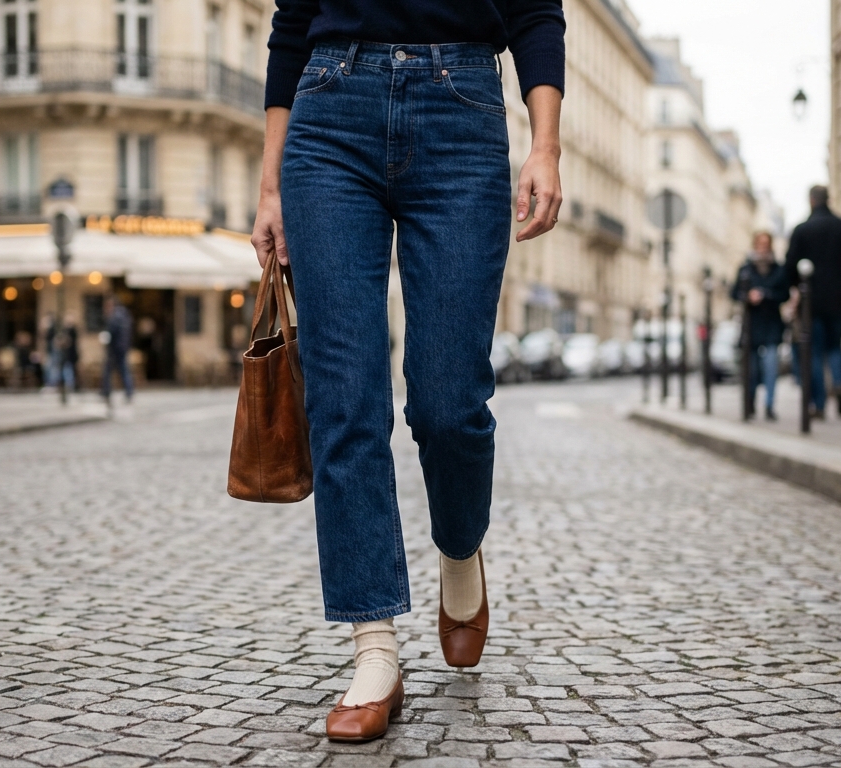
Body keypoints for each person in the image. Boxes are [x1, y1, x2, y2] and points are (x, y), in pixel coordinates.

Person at [253, 0, 565, 742]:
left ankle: (461, 552)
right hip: (329, 112)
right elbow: (291, 24)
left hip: (461, 107)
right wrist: (270, 186)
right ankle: (374, 650)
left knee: (449, 400)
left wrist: (546, 144)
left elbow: (536, 11)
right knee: (344, 396)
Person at [785, 185, 841, 419]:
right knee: (835, 346)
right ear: (827, 199)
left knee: (815, 351)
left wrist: (798, 287)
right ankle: (839, 383)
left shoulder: (802, 230)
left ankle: (819, 405)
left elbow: (790, 265)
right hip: (838, 299)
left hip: (812, 300)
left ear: (811, 200)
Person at [731, 232, 789, 421]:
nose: (763, 247)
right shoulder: (746, 269)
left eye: (766, 244)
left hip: (772, 324)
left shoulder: (778, 269)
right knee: (752, 369)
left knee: (771, 367)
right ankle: (750, 403)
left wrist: (766, 294)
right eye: (760, 243)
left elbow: (785, 294)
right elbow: (734, 293)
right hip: (752, 325)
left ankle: (769, 405)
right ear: (755, 245)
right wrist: (747, 297)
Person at [100, 296, 134, 405]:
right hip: (123, 348)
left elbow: (111, 333)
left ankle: (106, 392)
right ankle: (129, 392)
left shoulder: (115, 316)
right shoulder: (125, 315)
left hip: (115, 349)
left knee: (108, 370)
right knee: (124, 370)